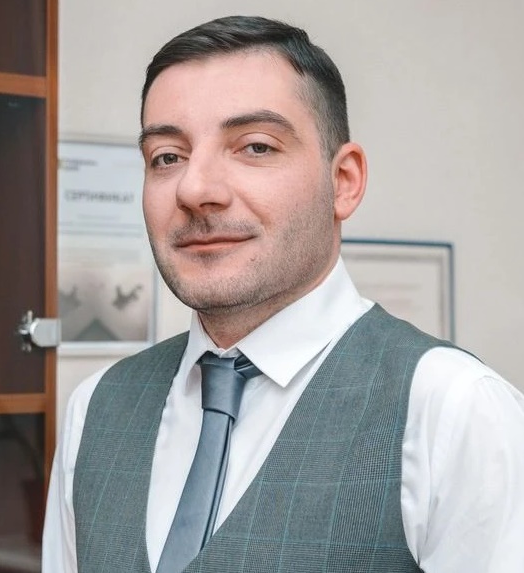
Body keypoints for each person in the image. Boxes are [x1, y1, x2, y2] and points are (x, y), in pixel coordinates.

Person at [43, 15, 524, 573]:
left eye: (255, 146)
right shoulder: (95, 410)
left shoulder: (454, 410)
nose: (195, 189)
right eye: (167, 157)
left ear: (343, 182)